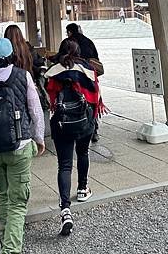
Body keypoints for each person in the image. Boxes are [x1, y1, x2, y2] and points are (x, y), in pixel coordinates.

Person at [0, 37, 45, 254]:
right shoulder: (22, 76)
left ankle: (6, 236)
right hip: (20, 145)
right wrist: (39, 139)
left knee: (3, 194)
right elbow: (35, 110)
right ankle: (11, 248)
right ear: (13, 56)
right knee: (18, 202)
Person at [45, 38, 106, 236]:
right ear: (78, 51)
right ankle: (82, 188)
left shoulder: (54, 71)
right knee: (83, 153)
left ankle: (65, 209)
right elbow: (95, 96)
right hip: (84, 121)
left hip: (62, 124)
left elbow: (51, 100)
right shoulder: (87, 69)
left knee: (64, 165)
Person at [56, 23, 101, 142]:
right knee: (91, 102)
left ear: (69, 32)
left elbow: (60, 57)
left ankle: (73, 124)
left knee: (73, 103)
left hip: (72, 78)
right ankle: (93, 129)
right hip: (89, 76)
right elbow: (96, 58)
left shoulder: (67, 42)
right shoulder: (88, 41)